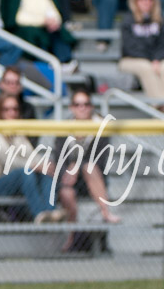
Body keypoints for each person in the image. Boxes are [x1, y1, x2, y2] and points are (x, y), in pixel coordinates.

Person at [0, 94, 63, 223]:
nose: (12, 113)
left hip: (19, 181)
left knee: (45, 173)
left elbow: (33, 155)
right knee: (27, 172)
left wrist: (45, 164)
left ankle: (51, 213)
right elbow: (10, 162)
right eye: (6, 109)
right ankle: (40, 214)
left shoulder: (18, 134)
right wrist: (36, 165)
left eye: (15, 109)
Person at [49, 89, 121, 241]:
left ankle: (106, 212)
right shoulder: (64, 129)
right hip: (70, 180)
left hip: (94, 177)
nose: (82, 108)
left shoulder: (101, 128)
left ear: (91, 107)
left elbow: (100, 161)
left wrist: (77, 165)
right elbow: (58, 159)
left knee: (89, 167)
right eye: (77, 104)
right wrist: (70, 170)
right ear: (71, 108)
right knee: (66, 193)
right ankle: (71, 237)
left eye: (86, 104)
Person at [0, 0, 77, 71]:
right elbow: (18, 18)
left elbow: (52, 11)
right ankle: (47, 64)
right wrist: (42, 21)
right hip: (26, 31)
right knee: (35, 34)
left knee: (58, 32)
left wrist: (54, 21)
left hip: (46, 28)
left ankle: (64, 62)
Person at [118, 0, 164, 103]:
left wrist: (157, 59)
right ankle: (160, 107)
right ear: (135, 1)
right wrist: (151, 60)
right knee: (145, 67)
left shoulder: (161, 21)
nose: (146, 2)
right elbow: (130, 47)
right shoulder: (128, 20)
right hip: (130, 60)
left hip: (155, 60)